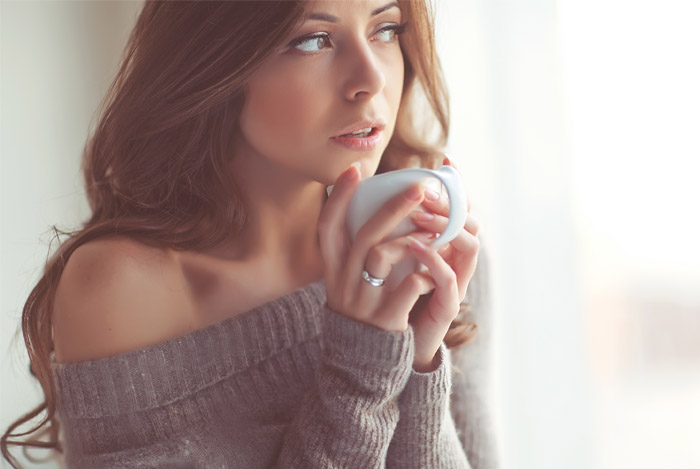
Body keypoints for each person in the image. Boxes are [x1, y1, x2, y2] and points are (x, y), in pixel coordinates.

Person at [2, 0, 498, 467]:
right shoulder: (124, 290)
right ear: (215, 60)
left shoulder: (429, 249)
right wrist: (363, 368)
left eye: (386, 29)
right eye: (314, 40)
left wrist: (421, 358)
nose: (370, 78)